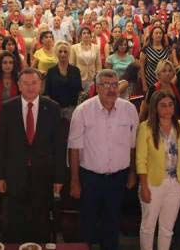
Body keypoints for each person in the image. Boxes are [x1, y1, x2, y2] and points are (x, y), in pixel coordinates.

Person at [68, 69, 138, 250]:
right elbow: (74, 148)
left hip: (118, 177)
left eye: (114, 85)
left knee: (112, 223)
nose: (111, 89)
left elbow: (133, 145)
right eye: (106, 85)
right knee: (87, 223)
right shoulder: (83, 111)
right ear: (97, 87)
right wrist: (75, 181)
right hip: (90, 178)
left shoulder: (129, 110)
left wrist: (132, 173)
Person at [0, 68, 65, 243]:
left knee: (41, 220)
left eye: (34, 83)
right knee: (15, 221)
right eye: (25, 83)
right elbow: (1, 144)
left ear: (41, 85)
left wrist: (59, 177)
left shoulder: (53, 107)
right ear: (19, 85)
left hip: (43, 175)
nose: (30, 87)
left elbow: (58, 145)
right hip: (15, 175)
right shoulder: (8, 108)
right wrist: (0, 176)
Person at [137, 90, 180, 250]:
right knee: (148, 226)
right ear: (155, 108)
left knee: (167, 228)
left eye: (170, 105)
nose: (168, 109)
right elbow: (141, 160)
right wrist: (144, 186)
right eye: (163, 106)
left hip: (176, 183)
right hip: (152, 183)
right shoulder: (146, 127)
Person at [44, 41, 83, 111]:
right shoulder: (50, 71)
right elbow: (47, 92)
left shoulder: (76, 71)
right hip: (55, 109)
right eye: (60, 51)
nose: (63, 54)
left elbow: (79, 91)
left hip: (72, 108)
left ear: (69, 54)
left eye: (65, 52)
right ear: (56, 53)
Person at [140, 26, 172, 93]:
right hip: (150, 81)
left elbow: (171, 65)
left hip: (165, 81)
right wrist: (144, 84)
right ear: (152, 35)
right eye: (156, 33)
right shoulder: (146, 49)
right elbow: (141, 67)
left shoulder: (167, 49)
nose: (158, 35)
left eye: (160, 33)